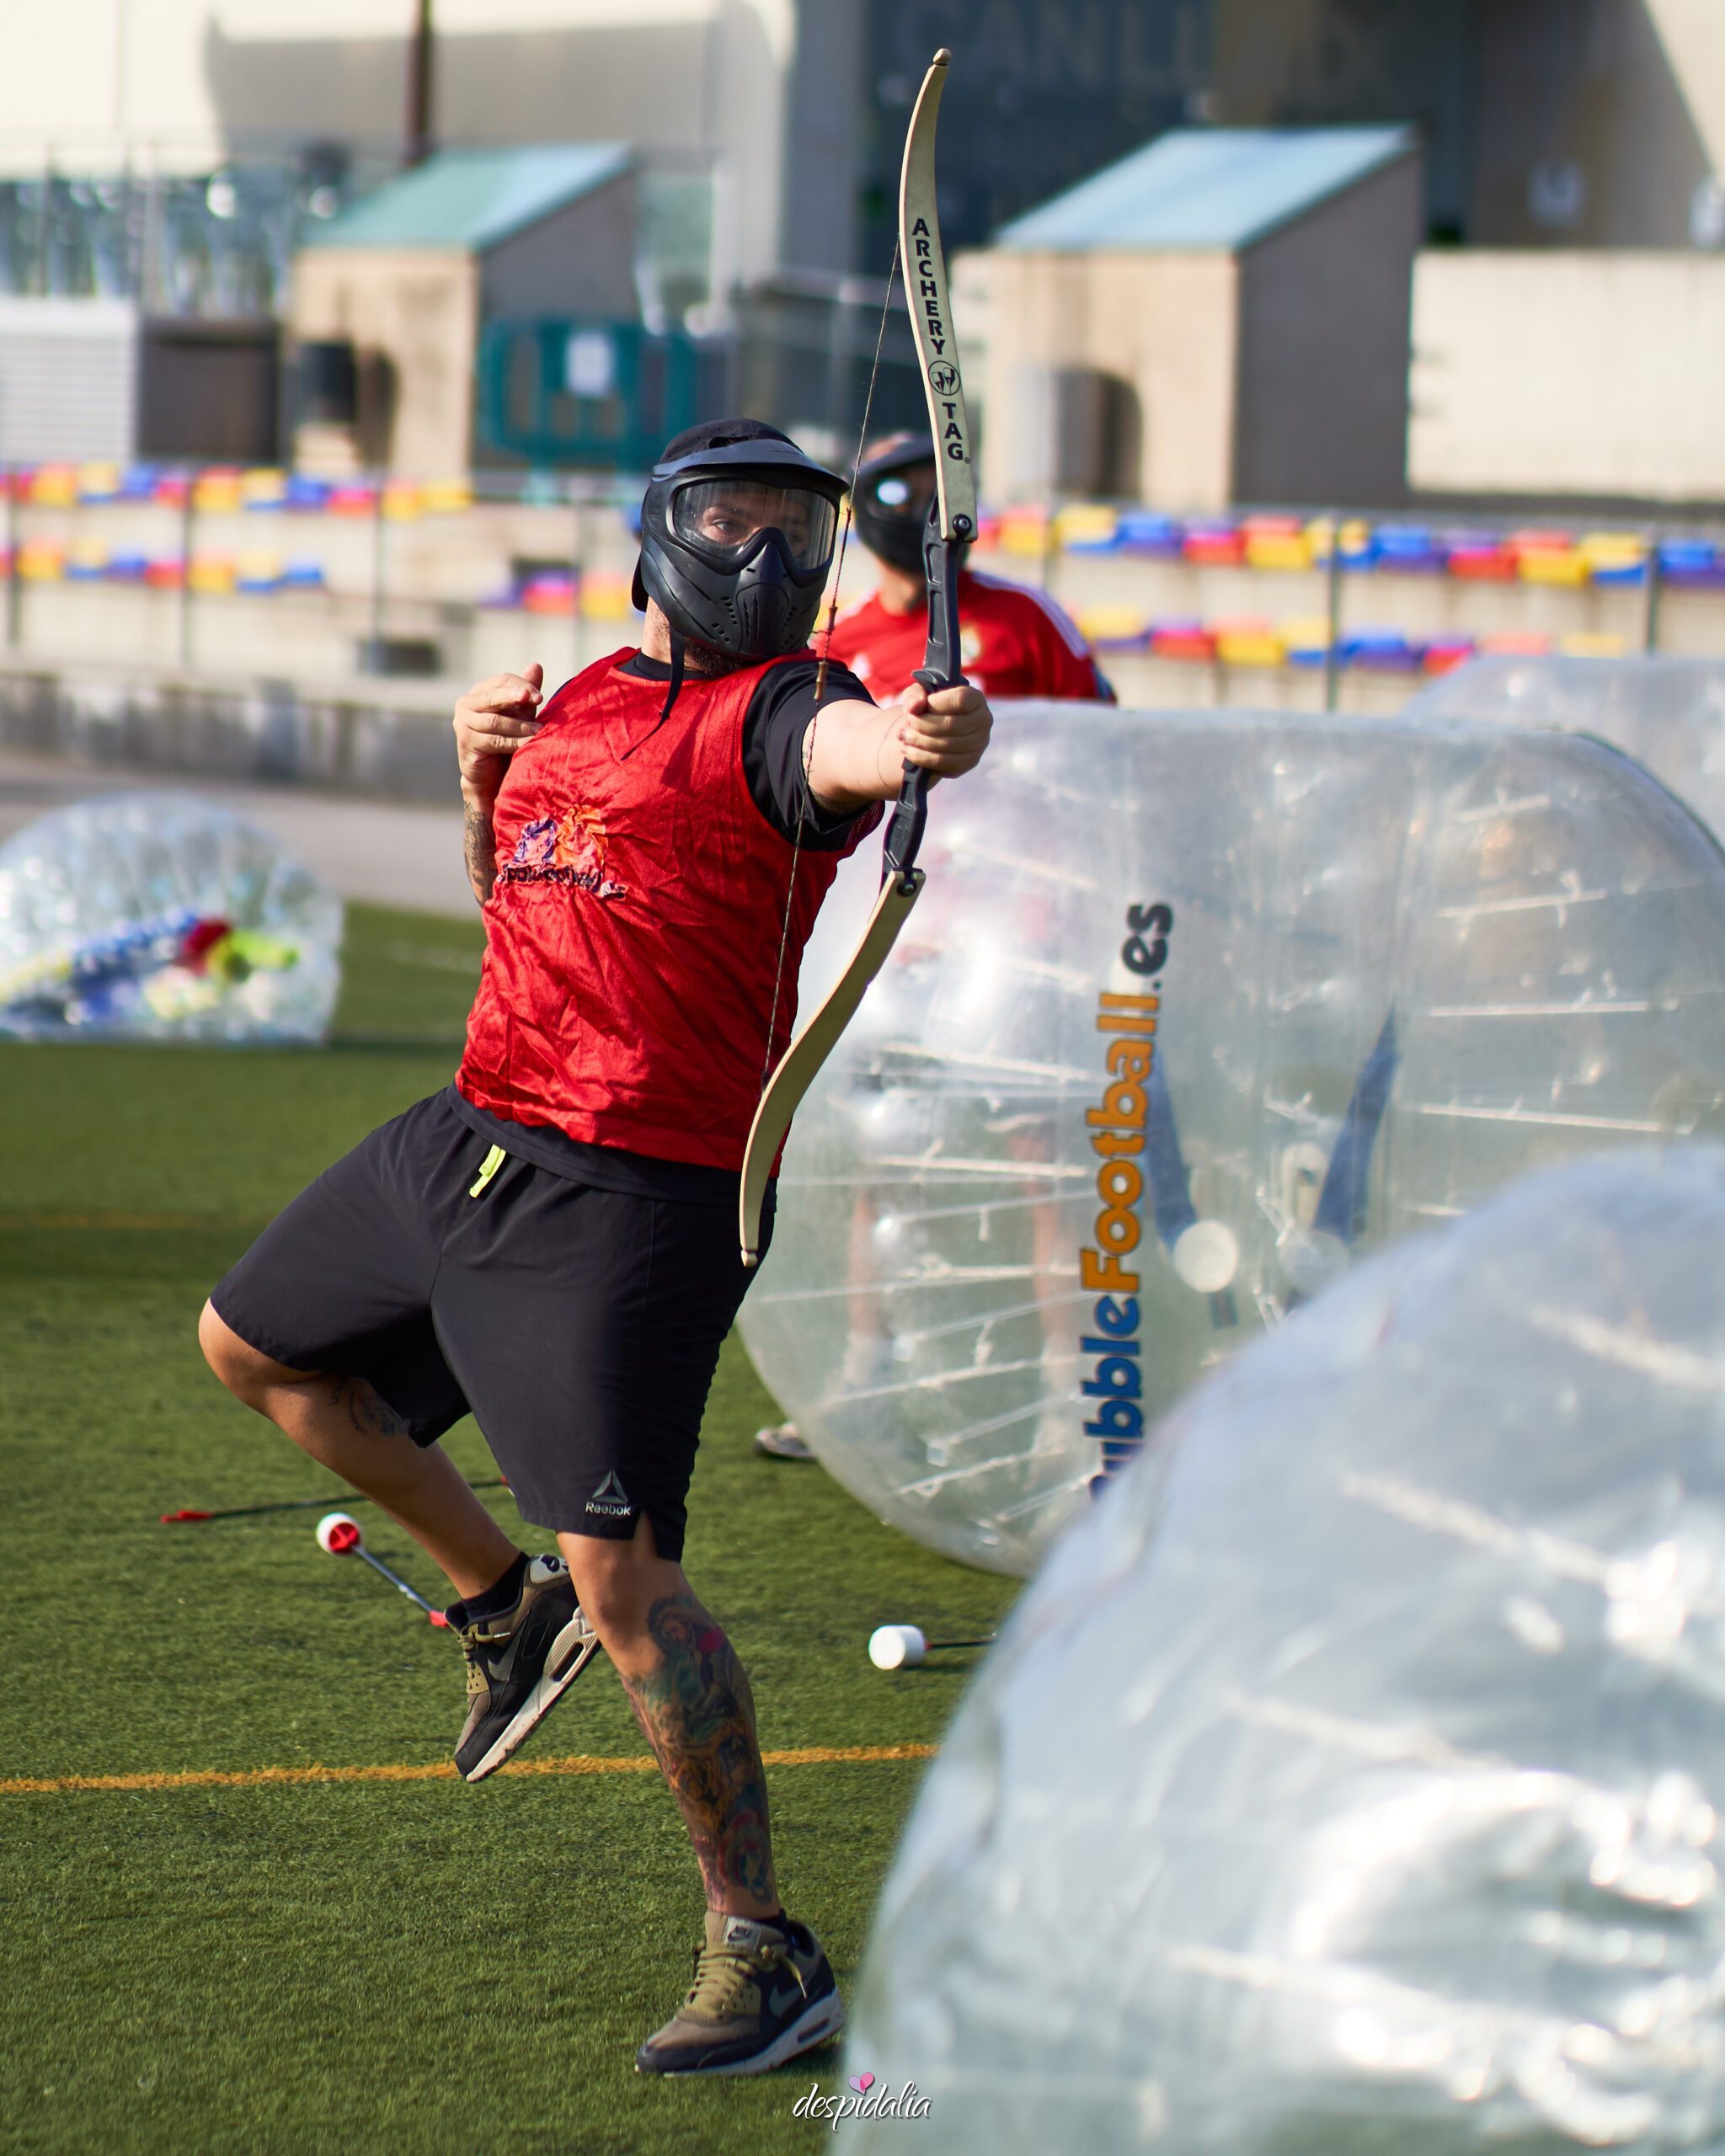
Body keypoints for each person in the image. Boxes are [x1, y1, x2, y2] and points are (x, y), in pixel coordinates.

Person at [196, 418, 993, 2078]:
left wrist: (928, 735)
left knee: (628, 1579)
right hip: (470, 1131)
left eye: (801, 526)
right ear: (659, 533)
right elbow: (519, 887)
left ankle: (764, 1944)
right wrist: (480, 778)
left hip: (631, 1194)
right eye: (735, 516)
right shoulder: (573, 699)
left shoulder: (788, 711)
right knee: (253, 1345)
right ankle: (502, 1607)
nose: (769, 551)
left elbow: (860, 750)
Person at [753, 430, 1109, 1465]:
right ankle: (864, 1381)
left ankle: (1061, 1398)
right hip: (897, 949)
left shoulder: (1023, 622)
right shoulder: (839, 643)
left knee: (1045, 1172)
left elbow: (1096, 749)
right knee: (884, 1170)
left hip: (1021, 945)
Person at [822, 430, 1114, 704]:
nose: (929, 516)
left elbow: (1092, 726)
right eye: (906, 498)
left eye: (939, 497)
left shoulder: (1024, 613)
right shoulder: (838, 642)